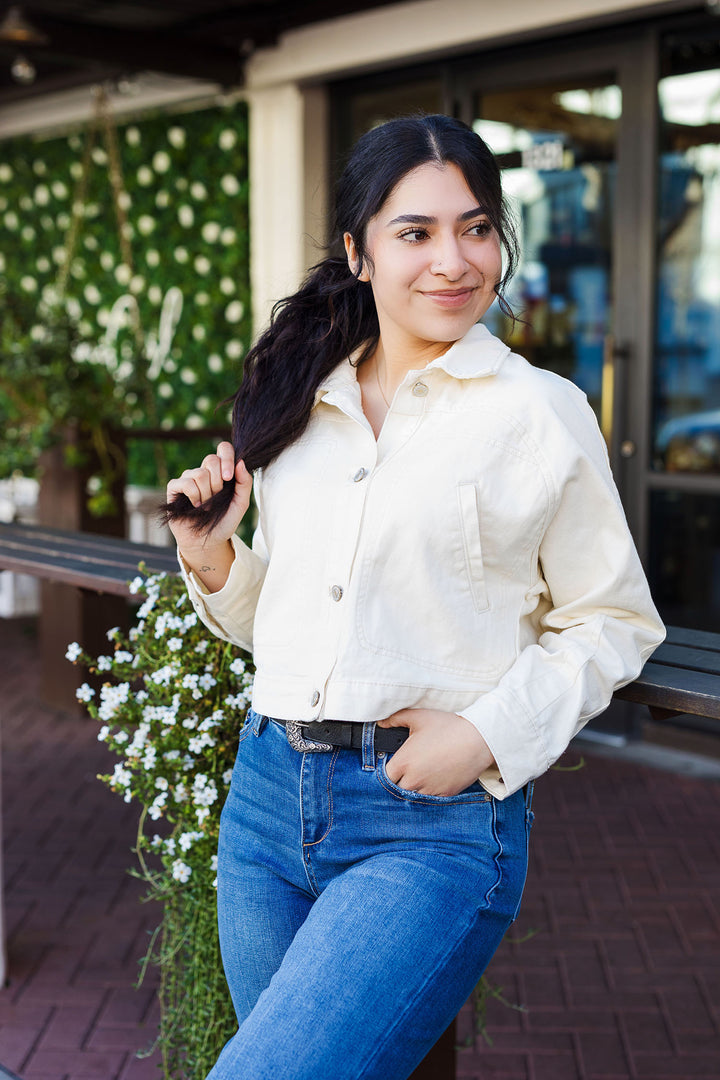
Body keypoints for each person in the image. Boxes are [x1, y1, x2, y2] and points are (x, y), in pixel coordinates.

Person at [165, 114, 665, 1080]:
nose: (454, 261)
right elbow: (301, 620)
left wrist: (484, 735)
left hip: (425, 824)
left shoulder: (538, 411)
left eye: (476, 229)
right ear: (358, 252)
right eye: (415, 232)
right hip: (266, 803)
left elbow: (613, 620)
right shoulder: (301, 402)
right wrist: (218, 562)